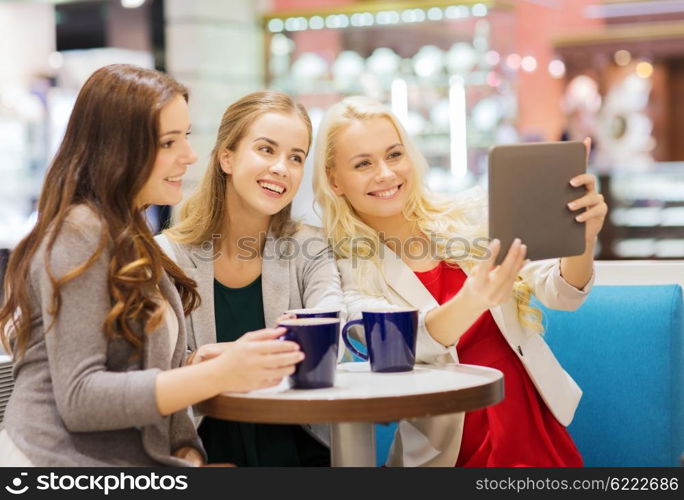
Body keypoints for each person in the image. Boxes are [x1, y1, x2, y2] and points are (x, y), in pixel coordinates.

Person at [0, 65, 303, 467]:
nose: (190, 155)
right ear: (117, 149)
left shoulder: (130, 233)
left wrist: (188, 450)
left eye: (187, 137)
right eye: (168, 143)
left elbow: (151, 376)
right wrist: (218, 375)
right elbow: (81, 399)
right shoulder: (80, 233)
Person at [312, 96, 608, 467]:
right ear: (334, 180)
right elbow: (402, 344)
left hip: (528, 422)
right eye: (363, 164)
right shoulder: (340, 265)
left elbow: (562, 294)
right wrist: (473, 299)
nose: (386, 173)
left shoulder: (471, 213)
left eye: (394, 155)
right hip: (445, 449)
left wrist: (583, 240)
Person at [158, 90, 344, 466]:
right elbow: (154, 371)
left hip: (303, 451)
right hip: (204, 452)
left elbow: (331, 327)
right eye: (266, 149)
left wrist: (207, 360)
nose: (281, 168)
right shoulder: (167, 256)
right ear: (227, 156)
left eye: (296, 157)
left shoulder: (309, 246)